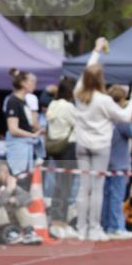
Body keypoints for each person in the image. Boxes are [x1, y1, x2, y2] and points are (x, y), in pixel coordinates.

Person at [73, 38, 132, 241]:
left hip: (82, 144)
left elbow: (88, 70)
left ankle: (81, 228)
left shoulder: (78, 93)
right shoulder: (104, 100)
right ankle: (94, 227)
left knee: (84, 187)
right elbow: (125, 117)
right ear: (101, 80)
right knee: (97, 188)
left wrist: (96, 50)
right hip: (100, 146)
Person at [100, 85, 132, 239]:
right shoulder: (121, 120)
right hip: (118, 163)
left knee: (106, 195)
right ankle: (115, 226)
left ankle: (106, 225)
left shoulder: (105, 117)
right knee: (116, 196)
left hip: (105, 162)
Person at [0, 159, 42, 245]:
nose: (8, 175)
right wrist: (9, 189)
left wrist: (14, 200)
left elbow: (28, 197)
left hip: (3, 219)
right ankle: (8, 234)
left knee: (18, 205)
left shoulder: (4, 183)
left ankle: (29, 233)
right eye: (6, 172)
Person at [44, 76, 78, 236]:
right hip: (68, 147)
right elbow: (79, 123)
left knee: (60, 185)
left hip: (55, 147)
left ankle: (57, 222)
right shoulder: (69, 107)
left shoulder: (53, 104)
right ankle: (61, 223)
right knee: (66, 187)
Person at [3, 69, 40, 178]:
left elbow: (31, 124)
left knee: (24, 179)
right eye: (32, 82)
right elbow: (13, 129)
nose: (34, 85)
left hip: (25, 147)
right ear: (23, 83)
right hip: (18, 147)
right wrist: (32, 135)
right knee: (17, 178)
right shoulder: (13, 101)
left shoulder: (24, 101)